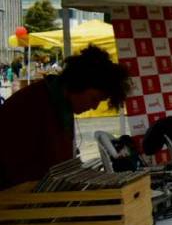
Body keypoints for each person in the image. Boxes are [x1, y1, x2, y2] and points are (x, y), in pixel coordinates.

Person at [0, 45, 129, 189]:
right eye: (94, 99)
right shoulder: (34, 102)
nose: (94, 107)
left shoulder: (62, 105)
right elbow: (17, 167)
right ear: (80, 83)